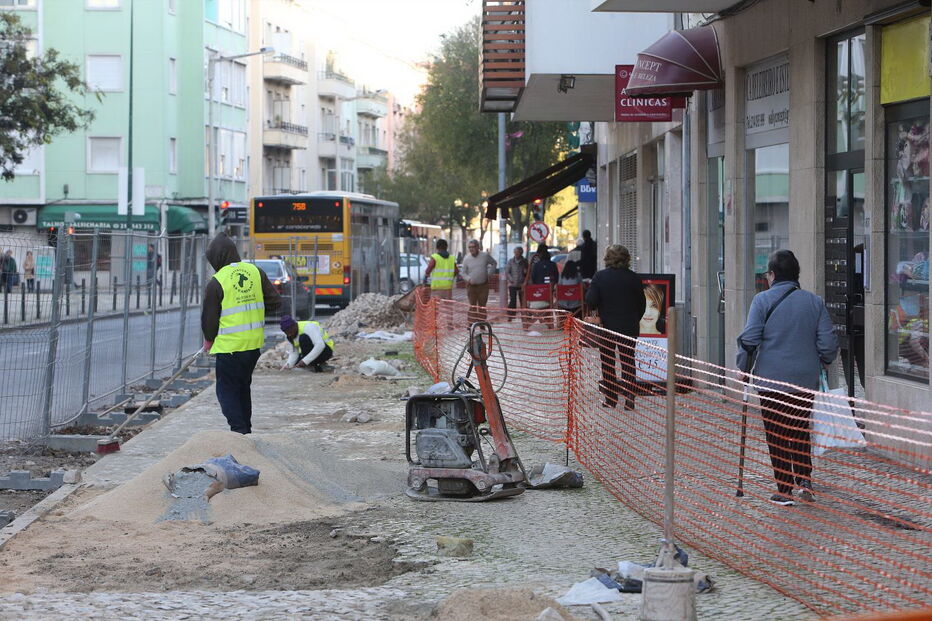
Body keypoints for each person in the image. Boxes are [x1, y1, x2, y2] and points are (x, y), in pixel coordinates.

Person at [737, 249, 838, 507]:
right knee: (800, 428)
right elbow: (828, 342)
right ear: (796, 275)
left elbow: (750, 339)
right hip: (804, 379)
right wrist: (822, 362)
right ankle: (805, 479)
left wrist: (743, 368)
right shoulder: (814, 302)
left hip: (771, 380)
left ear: (772, 274)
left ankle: (784, 489)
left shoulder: (761, 301)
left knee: (777, 432)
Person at [202, 232, 282, 434]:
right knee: (243, 388)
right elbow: (275, 301)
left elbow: (210, 318)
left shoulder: (217, 282)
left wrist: (209, 341)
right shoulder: (255, 272)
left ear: (217, 258)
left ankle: (239, 432)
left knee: (226, 390)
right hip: (253, 345)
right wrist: (254, 312)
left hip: (230, 347)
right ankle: (245, 430)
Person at [585, 245, 645, 411]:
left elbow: (590, 300)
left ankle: (611, 399)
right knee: (628, 361)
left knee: (608, 362)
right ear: (626, 258)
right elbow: (642, 304)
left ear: (607, 258)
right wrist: (633, 319)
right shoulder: (634, 278)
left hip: (607, 327)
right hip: (629, 326)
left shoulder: (600, 277)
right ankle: (630, 397)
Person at [460, 239, 497, 322]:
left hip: (483, 285)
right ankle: (471, 324)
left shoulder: (485, 256)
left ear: (478, 247)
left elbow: (494, 263)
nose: (471, 249)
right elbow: (463, 272)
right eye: (470, 247)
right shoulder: (467, 258)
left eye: (473, 247)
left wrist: (489, 274)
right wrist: (468, 279)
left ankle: (482, 324)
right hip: (471, 286)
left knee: (482, 306)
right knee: (472, 306)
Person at [505, 246, 528, 320]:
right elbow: (507, 272)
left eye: (518, 252)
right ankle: (511, 316)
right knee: (512, 300)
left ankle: (524, 316)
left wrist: (525, 274)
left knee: (522, 300)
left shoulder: (524, 261)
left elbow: (528, 272)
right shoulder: (511, 261)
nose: (516, 254)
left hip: (522, 284)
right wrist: (511, 279)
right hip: (512, 284)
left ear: (521, 253)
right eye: (515, 252)